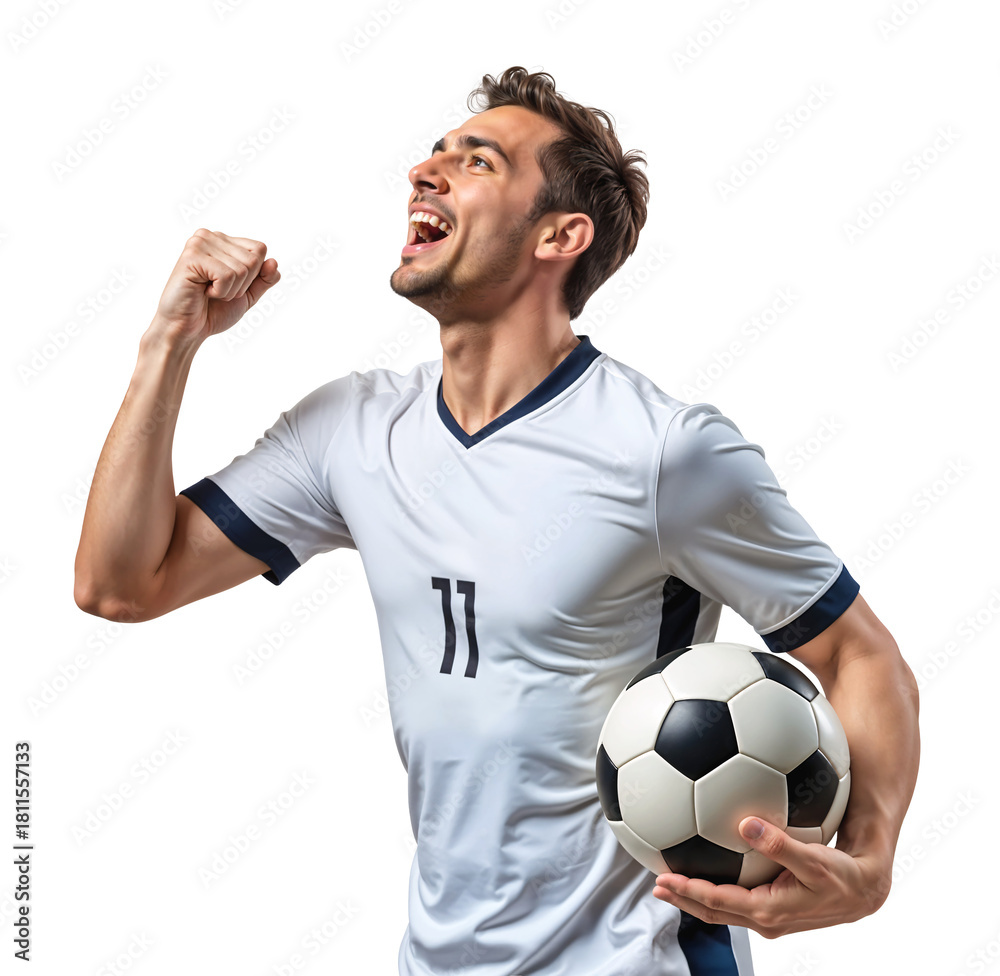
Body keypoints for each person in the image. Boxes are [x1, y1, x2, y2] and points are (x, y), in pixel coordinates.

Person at [75, 66, 920, 975]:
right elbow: (121, 583)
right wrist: (169, 345)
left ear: (561, 234)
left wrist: (868, 860)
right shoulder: (351, 432)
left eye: (475, 161)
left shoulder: (667, 452)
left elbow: (859, 655)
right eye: (434, 155)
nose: (424, 172)